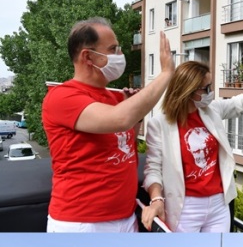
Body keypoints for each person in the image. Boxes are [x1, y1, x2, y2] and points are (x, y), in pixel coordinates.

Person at [42, 17, 174, 232]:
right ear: (88, 56)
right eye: (113, 49)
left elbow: (124, 144)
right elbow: (119, 119)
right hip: (82, 223)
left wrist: (136, 116)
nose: (119, 56)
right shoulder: (62, 97)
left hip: (125, 216)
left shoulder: (114, 98)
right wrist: (166, 73)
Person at [142, 46, 243, 232]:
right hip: (185, 207)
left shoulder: (212, 110)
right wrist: (156, 199)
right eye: (206, 88)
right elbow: (152, 168)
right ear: (188, 91)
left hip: (219, 204)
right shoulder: (159, 124)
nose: (210, 93)